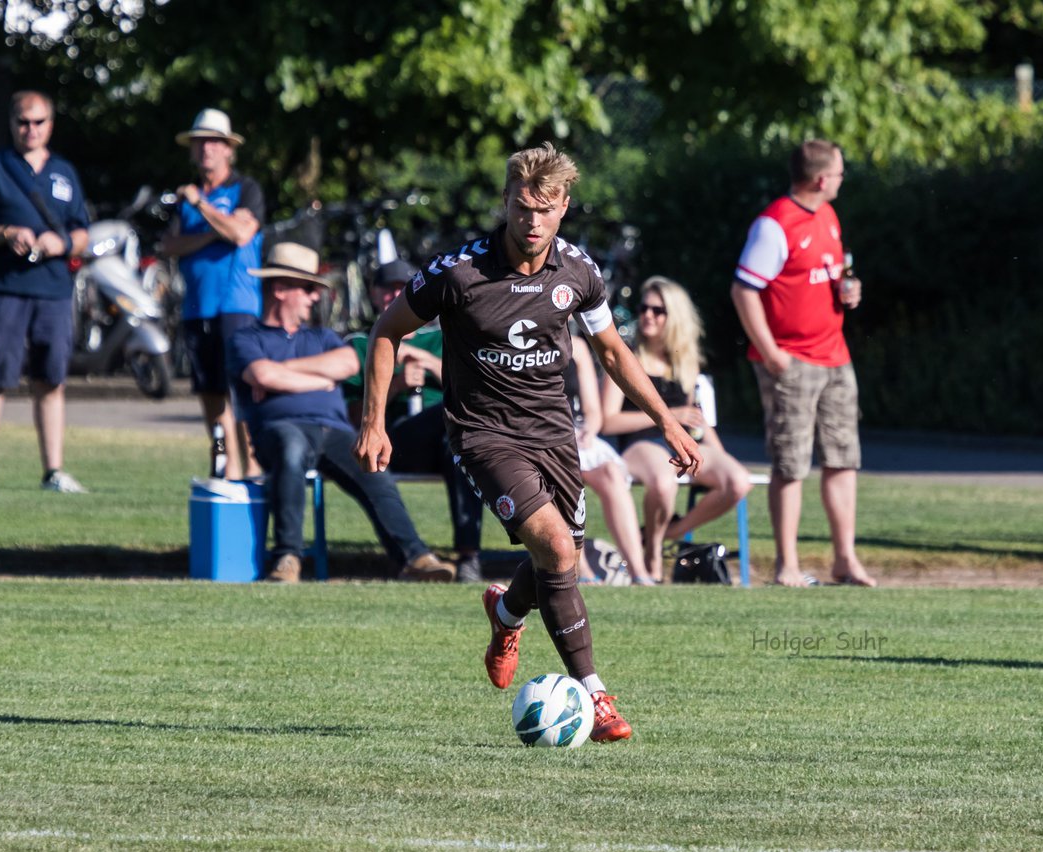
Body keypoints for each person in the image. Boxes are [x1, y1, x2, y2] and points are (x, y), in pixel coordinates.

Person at [353, 143, 703, 743]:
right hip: (482, 432)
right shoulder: (458, 272)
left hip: (553, 432)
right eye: (521, 208)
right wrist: (373, 421)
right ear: (506, 202)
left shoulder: (578, 271)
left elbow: (613, 351)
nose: (531, 222)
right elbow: (386, 330)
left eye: (544, 210)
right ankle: (595, 697)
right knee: (558, 551)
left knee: (559, 550)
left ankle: (507, 611)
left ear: (563, 207)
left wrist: (667, 419)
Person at [226, 241, 457, 584]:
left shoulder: (324, 337)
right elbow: (261, 376)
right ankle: (287, 557)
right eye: (307, 289)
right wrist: (318, 378)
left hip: (333, 429)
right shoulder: (246, 338)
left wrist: (282, 375)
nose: (314, 297)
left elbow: (348, 362)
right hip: (280, 426)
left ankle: (415, 557)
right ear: (280, 289)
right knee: (290, 454)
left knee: (374, 470)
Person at [729, 139, 876, 587]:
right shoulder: (775, 224)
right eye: (839, 172)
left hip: (835, 356)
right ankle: (786, 565)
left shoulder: (827, 216)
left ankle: (845, 560)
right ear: (820, 178)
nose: (842, 179)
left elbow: (826, 276)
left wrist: (848, 292)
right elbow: (743, 290)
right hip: (792, 362)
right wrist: (773, 355)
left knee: (843, 460)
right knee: (791, 463)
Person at [0, 90, 90, 493]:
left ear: (50, 125)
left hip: (53, 290)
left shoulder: (65, 172)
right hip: (6, 288)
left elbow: (83, 232)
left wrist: (61, 244)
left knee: (51, 380)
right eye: (23, 122)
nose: (30, 129)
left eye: (38, 122)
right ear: (12, 124)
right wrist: (4, 233)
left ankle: (53, 471)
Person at [600, 276, 754, 582]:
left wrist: (717, 457)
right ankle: (652, 553)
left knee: (737, 480)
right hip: (639, 444)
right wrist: (668, 415)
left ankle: (664, 534)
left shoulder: (686, 362)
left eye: (658, 311)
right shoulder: (624, 354)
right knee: (663, 480)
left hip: (680, 442)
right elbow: (607, 420)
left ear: (674, 317)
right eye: (644, 308)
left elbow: (699, 421)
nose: (648, 315)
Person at [343, 259, 487, 583]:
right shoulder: (363, 344)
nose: (395, 294)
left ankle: (468, 556)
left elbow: (473, 389)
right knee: (449, 418)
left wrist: (431, 364)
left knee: (456, 445)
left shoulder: (443, 338)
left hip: (448, 440)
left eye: (402, 288)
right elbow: (354, 420)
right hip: (395, 442)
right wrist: (396, 385)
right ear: (374, 293)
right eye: (389, 288)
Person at [160, 108, 264, 482]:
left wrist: (201, 208)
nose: (206, 149)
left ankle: (251, 465)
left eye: (214, 142)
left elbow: (240, 233)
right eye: (200, 142)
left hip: (237, 305)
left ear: (228, 149)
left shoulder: (244, 189)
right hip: (196, 306)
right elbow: (169, 245)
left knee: (241, 390)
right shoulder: (185, 197)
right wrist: (208, 234)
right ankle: (224, 462)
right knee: (209, 392)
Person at [565, 332, 652, 586]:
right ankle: (582, 572)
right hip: (541, 435)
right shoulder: (523, 339)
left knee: (612, 473)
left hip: (577, 432)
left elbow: (593, 411)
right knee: (561, 474)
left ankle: (638, 572)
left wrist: (589, 429)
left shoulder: (578, 346)